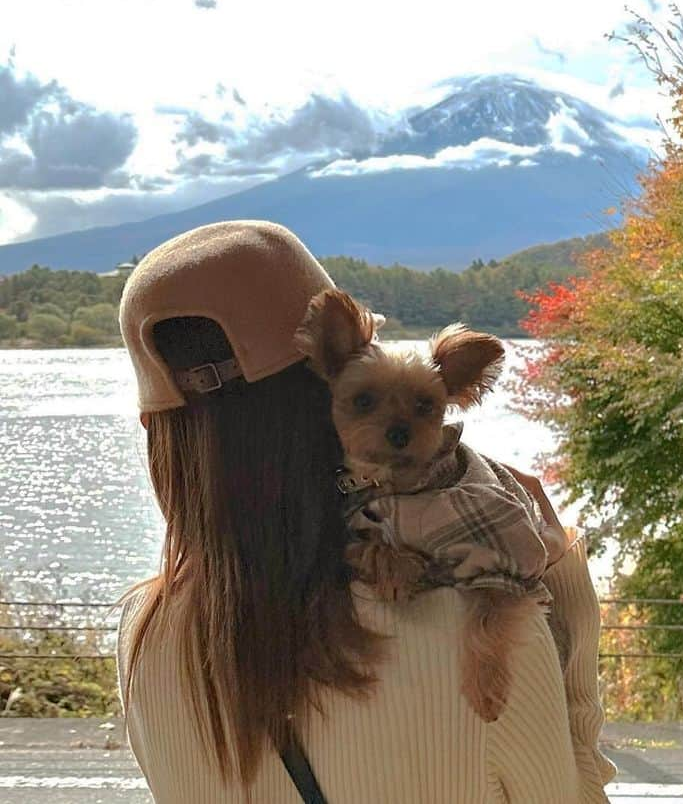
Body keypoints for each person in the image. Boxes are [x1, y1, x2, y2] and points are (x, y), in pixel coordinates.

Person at [115, 219, 616, 803]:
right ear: (323, 396)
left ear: (161, 436)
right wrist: (562, 584)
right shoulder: (480, 640)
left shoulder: (145, 636)